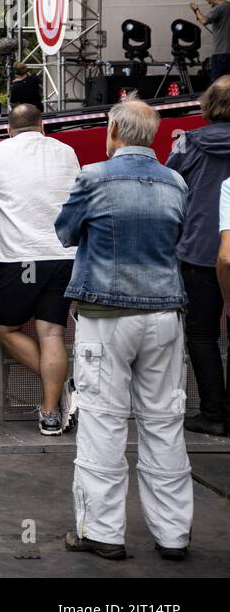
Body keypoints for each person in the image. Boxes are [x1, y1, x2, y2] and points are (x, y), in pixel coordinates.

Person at [55, 100, 191, 561]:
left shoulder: (94, 178)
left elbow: (65, 232)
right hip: (166, 313)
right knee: (165, 424)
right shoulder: (175, 181)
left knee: (102, 423)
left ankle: (103, 532)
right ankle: (174, 534)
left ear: (113, 129)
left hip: (106, 314)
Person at [0, 104, 80, 435]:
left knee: (3, 329)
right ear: (42, 126)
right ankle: (49, 412)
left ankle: (62, 389)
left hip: (20, 257)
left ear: (9, 129)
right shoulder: (67, 152)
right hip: (63, 255)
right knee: (52, 333)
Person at [166, 77, 230, 436]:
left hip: (199, 251)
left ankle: (212, 413)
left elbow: (167, 179)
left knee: (202, 334)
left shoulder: (189, 142)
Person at [191, 0, 229, 81]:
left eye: (210, 2)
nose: (211, 5)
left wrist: (196, 10)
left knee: (217, 83)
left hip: (222, 52)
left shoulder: (220, 7)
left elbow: (204, 20)